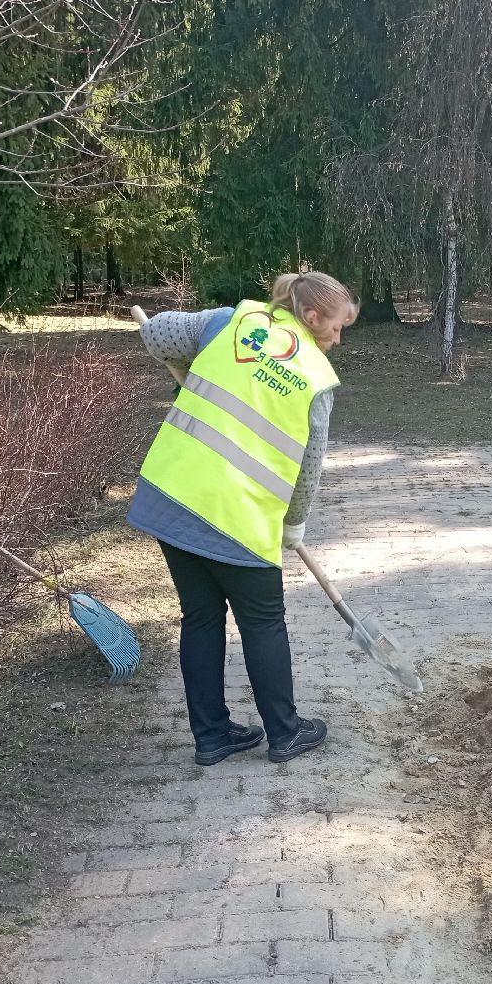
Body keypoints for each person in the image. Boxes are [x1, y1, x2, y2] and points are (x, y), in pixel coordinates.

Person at [127, 272, 359, 765]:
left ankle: (211, 737)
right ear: (312, 317)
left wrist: (195, 366)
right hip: (237, 513)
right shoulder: (316, 378)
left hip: (175, 492)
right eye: (337, 328)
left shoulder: (231, 321)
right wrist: (293, 526)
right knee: (264, 622)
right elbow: (307, 469)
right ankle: (284, 733)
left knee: (202, 616)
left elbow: (155, 333)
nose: (338, 339)